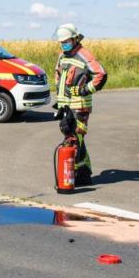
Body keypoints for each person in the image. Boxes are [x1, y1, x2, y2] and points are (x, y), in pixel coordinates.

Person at [53, 23, 107, 186]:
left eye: (67, 41)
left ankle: (72, 175)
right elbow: (58, 76)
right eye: (62, 42)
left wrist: (85, 90)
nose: (64, 44)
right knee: (73, 137)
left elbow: (101, 74)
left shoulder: (84, 55)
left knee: (74, 138)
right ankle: (83, 174)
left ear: (75, 39)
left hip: (80, 105)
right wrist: (60, 102)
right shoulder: (62, 56)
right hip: (67, 105)